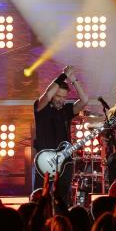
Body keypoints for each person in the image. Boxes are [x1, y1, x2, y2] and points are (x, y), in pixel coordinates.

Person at [32, 65, 90, 202]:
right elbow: (47, 94)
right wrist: (63, 75)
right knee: (41, 197)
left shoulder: (67, 110)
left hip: (65, 161)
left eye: (63, 97)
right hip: (45, 160)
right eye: (58, 96)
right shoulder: (41, 107)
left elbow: (84, 100)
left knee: (63, 197)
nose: (60, 100)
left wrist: (73, 79)